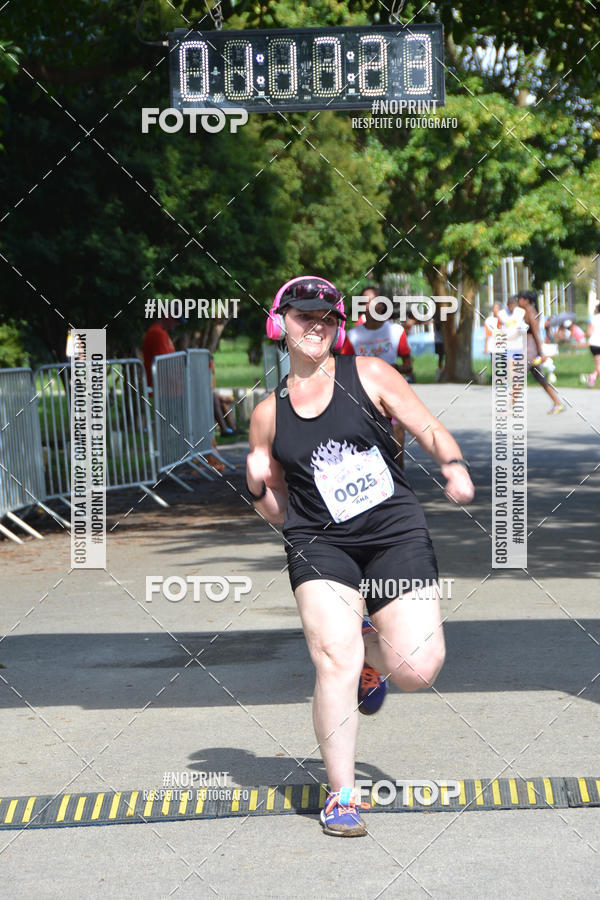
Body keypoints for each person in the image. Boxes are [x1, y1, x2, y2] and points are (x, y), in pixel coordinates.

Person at [247, 275, 474, 837]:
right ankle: (342, 794)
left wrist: (453, 463)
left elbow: (428, 427)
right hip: (319, 541)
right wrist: (257, 488)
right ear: (280, 325)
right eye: (303, 316)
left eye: (326, 317)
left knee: (417, 668)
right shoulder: (267, 415)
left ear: (339, 325)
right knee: (333, 658)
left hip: (393, 531)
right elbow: (278, 511)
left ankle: (375, 652)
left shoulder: (369, 374)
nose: (315, 326)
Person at [341, 286, 413, 467]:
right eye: (364, 302)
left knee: (396, 435)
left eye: (373, 301)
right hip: (364, 396)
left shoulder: (396, 332)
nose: (369, 305)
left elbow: (409, 366)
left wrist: (394, 368)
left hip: (392, 392)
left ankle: (399, 477)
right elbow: (342, 366)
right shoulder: (354, 335)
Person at [516, 289, 564, 414]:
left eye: (520, 298)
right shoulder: (526, 312)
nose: (517, 301)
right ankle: (558, 403)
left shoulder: (531, 313)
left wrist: (540, 352)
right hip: (529, 346)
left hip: (530, 348)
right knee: (541, 379)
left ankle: (510, 407)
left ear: (526, 300)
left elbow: (537, 334)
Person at [142, 315, 179, 390]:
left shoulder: (161, 332)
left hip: (166, 388)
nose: (177, 323)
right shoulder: (158, 333)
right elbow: (163, 363)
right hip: (162, 389)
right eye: (176, 319)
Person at [583, 303, 600, 387]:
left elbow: (589, 333)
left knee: (598, 365)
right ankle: (593, 377)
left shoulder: (594, 318)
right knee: (599, 365)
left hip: (594, 344)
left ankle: (593, 376)